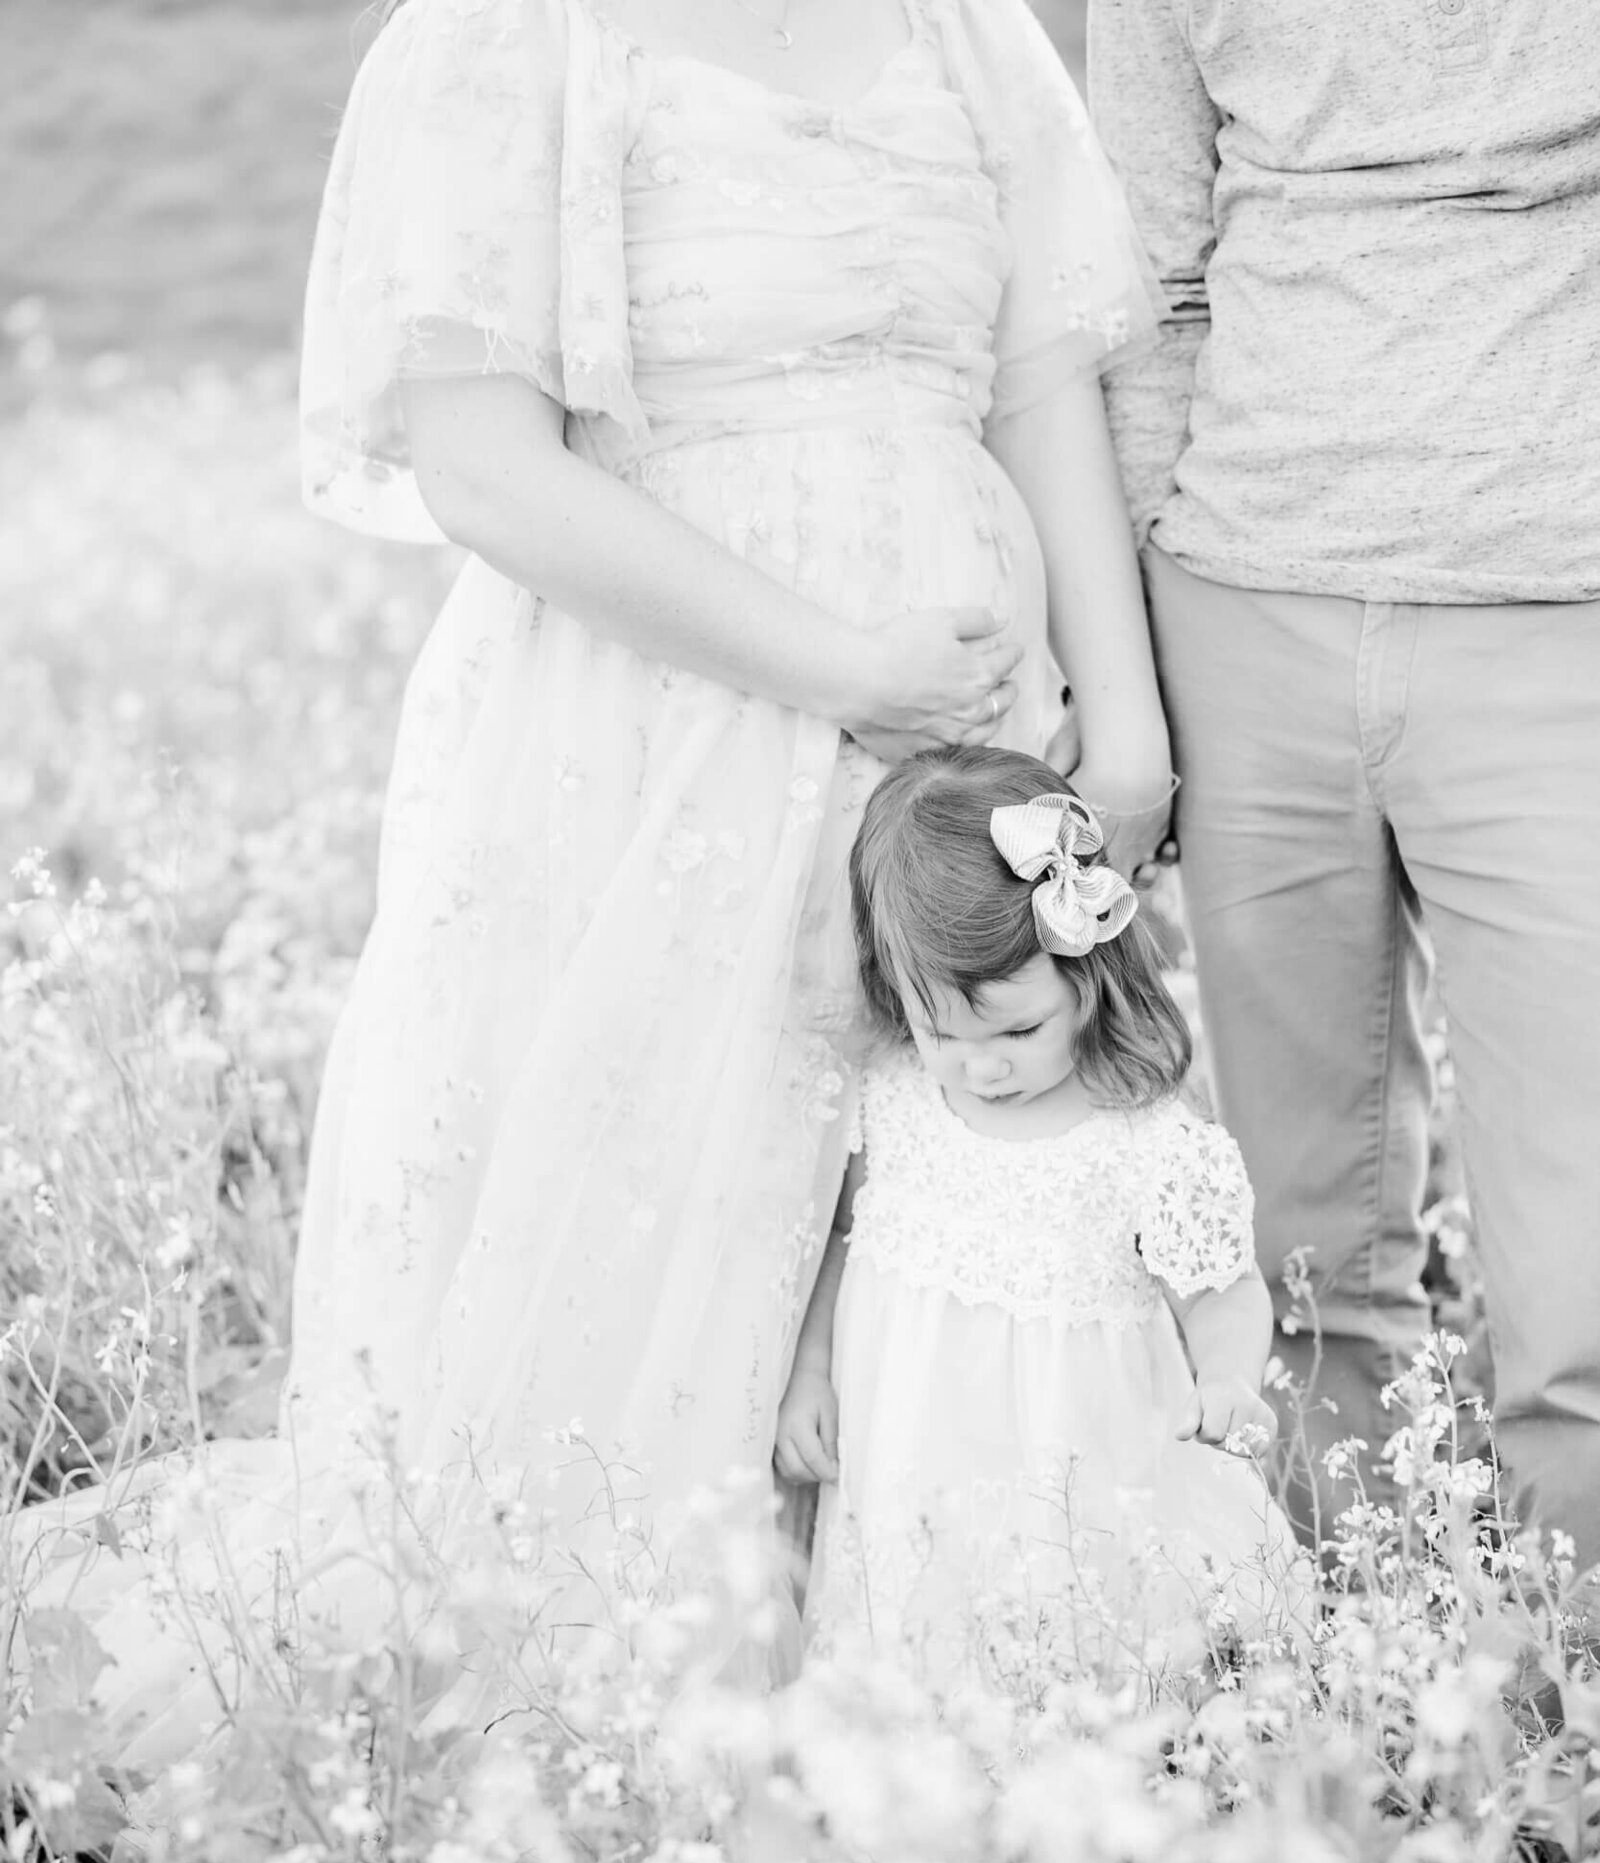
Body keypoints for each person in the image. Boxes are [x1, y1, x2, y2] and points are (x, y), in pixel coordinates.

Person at [13, 0, 1175, 1763]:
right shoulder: (507, 42)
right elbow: (487, 467)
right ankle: (641, 1732)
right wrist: (843, 667)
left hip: (969, 766)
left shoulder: (962, 31)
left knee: (959, 1210)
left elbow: (1039, 384)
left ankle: (944, 1690)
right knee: (659, 1246)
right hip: (654, 750)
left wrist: (1130, 728)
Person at [1088, 0, 1600, 1563]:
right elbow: (1147, 280)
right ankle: (1356, 1667)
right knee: (1301, 1249)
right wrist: (1144, 640)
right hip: (1243, 600)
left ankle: (1565, 1691)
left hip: (1557, 610)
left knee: (1580, 1273)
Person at [775, 748, 1305, 1689]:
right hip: (912, 1455)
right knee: (922, 1645)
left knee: (1080, 1660)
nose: (981, 1068)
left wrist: (1226, 1378)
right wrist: (811, 1369)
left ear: (1088, 974)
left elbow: (1221, 1290)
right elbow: (843, 1240)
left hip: (1071, 1471)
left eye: (1017, 1032)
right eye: (945, 1034)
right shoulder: (894, 1097)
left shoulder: (1142, 1140)